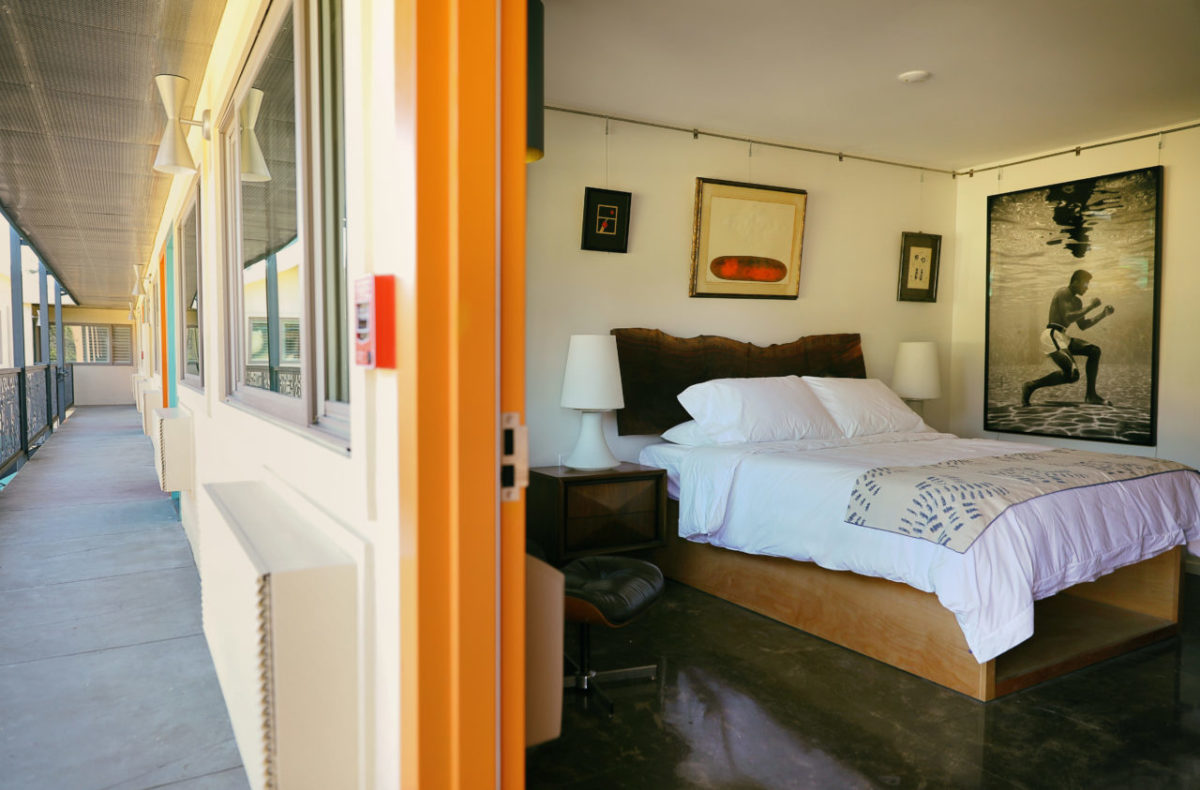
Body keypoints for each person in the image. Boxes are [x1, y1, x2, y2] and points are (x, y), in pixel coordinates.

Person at [1021, 269, 1115, 406]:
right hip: (1051, 335)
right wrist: (1091, 306)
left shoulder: (1077, 302)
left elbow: (1083, 325)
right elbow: (1068, 316)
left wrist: (1103, 314)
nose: (1087, 288)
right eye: (1085, 284)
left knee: (1094, 351)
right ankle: (1031, 386)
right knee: (1072, 374)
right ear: (1076, 282)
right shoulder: (1063, 292)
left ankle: (1091, 395)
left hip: (1062, 337)